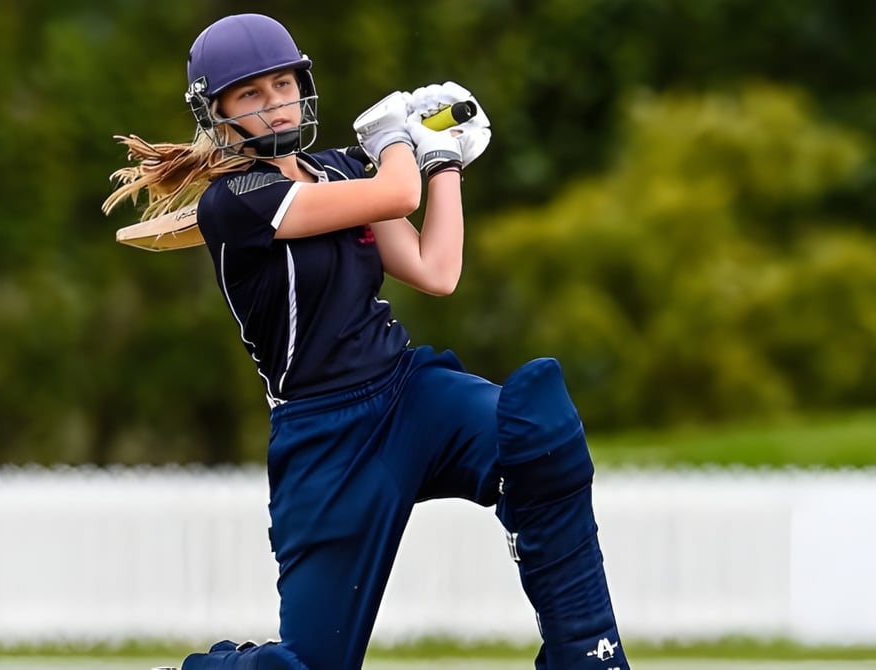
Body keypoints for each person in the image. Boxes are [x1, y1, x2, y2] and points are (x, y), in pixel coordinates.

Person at [103, 13, 631, 670]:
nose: (274, 105)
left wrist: (442, 162)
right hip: (327, 438)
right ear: (217, 114)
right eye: (250, 95)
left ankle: (589, 654)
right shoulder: (235, 199)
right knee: (306, 668)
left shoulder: (336, 172)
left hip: (409, 394)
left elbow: (436, 271)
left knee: (542, 436)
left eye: (283, 84)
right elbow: (394, 188)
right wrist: (395, 138)